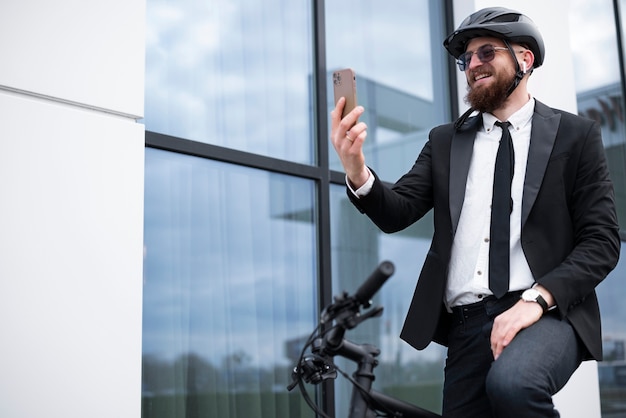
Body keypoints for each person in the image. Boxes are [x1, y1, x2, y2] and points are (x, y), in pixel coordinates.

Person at [330, 7, 620, 418]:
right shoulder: (446, 141)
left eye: (486, 53)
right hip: (467, 326)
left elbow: (602, 241)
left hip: (545, 312)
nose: (473, 66)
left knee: (515, 385)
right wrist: (356, 168)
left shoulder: (576, 135)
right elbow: (397, 211)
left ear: (525, 59)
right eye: (467, 59)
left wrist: (537, 299)